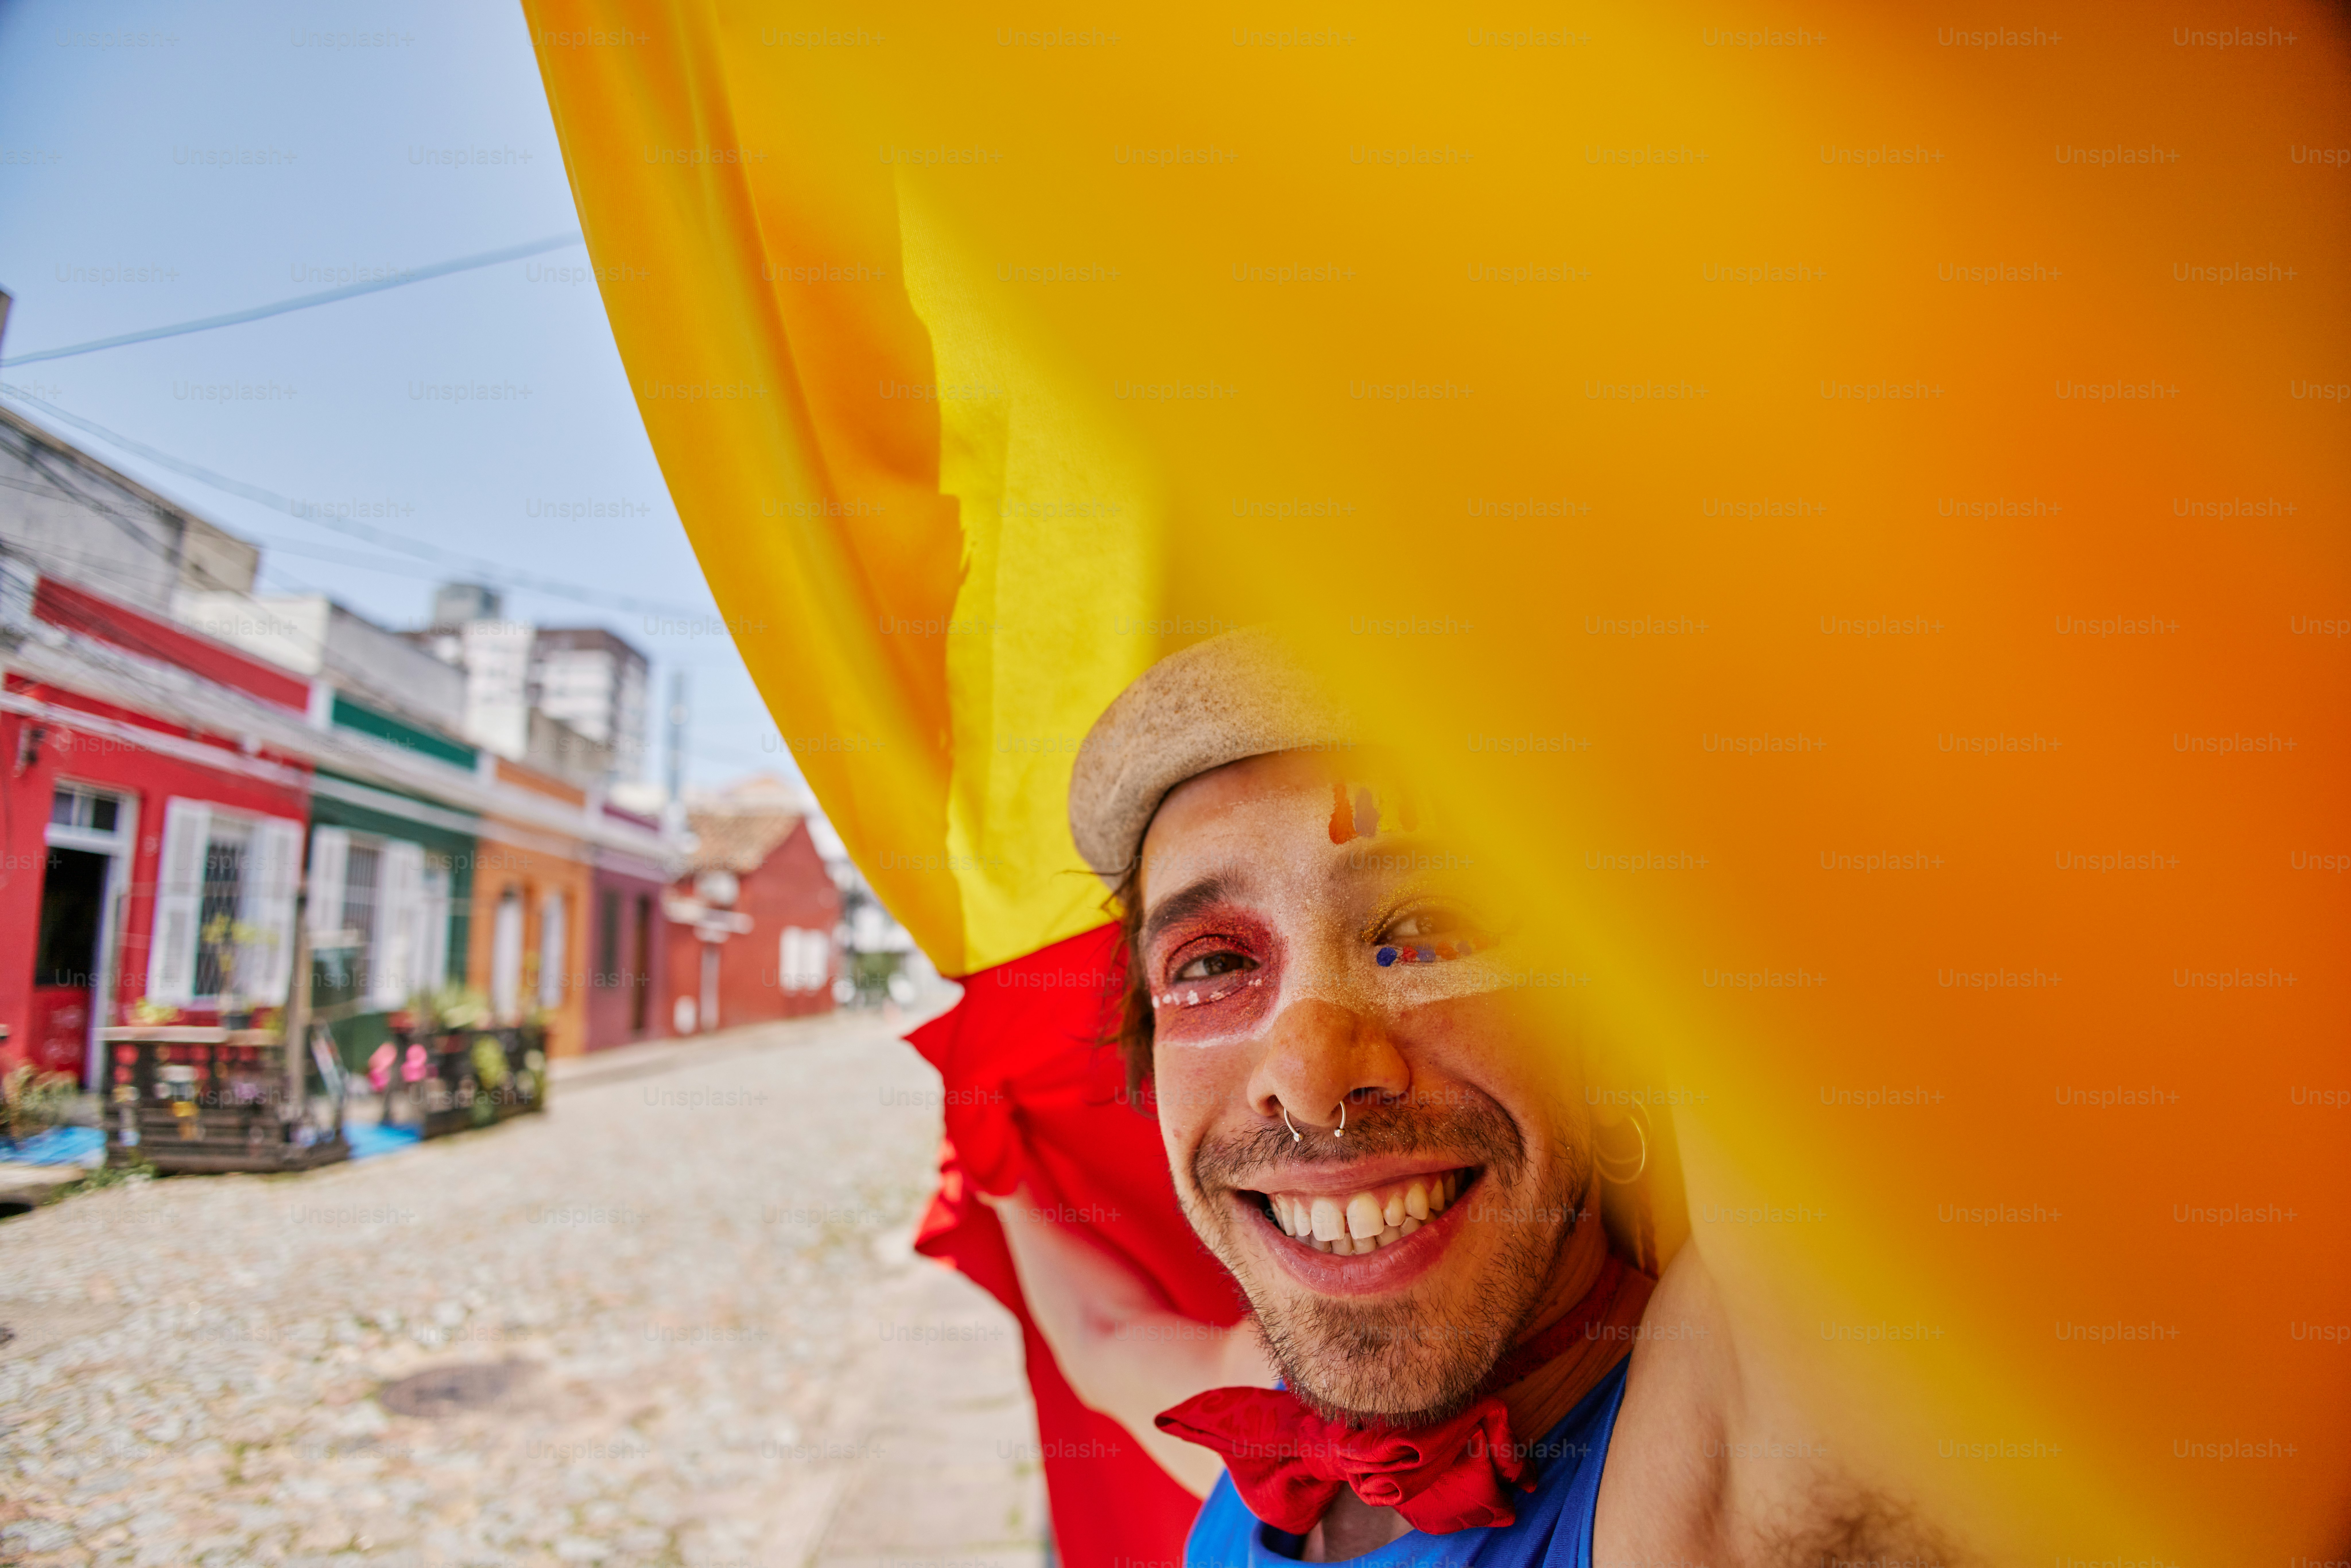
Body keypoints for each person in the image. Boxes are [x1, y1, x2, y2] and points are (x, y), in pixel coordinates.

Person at [988, 630, 1955, 1565]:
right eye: (1213, 963)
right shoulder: (1268, 1407)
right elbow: (1103, 1337)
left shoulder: (1732, 1450)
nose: (1311, 1081)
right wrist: (997, 1169)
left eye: (1428, 926)